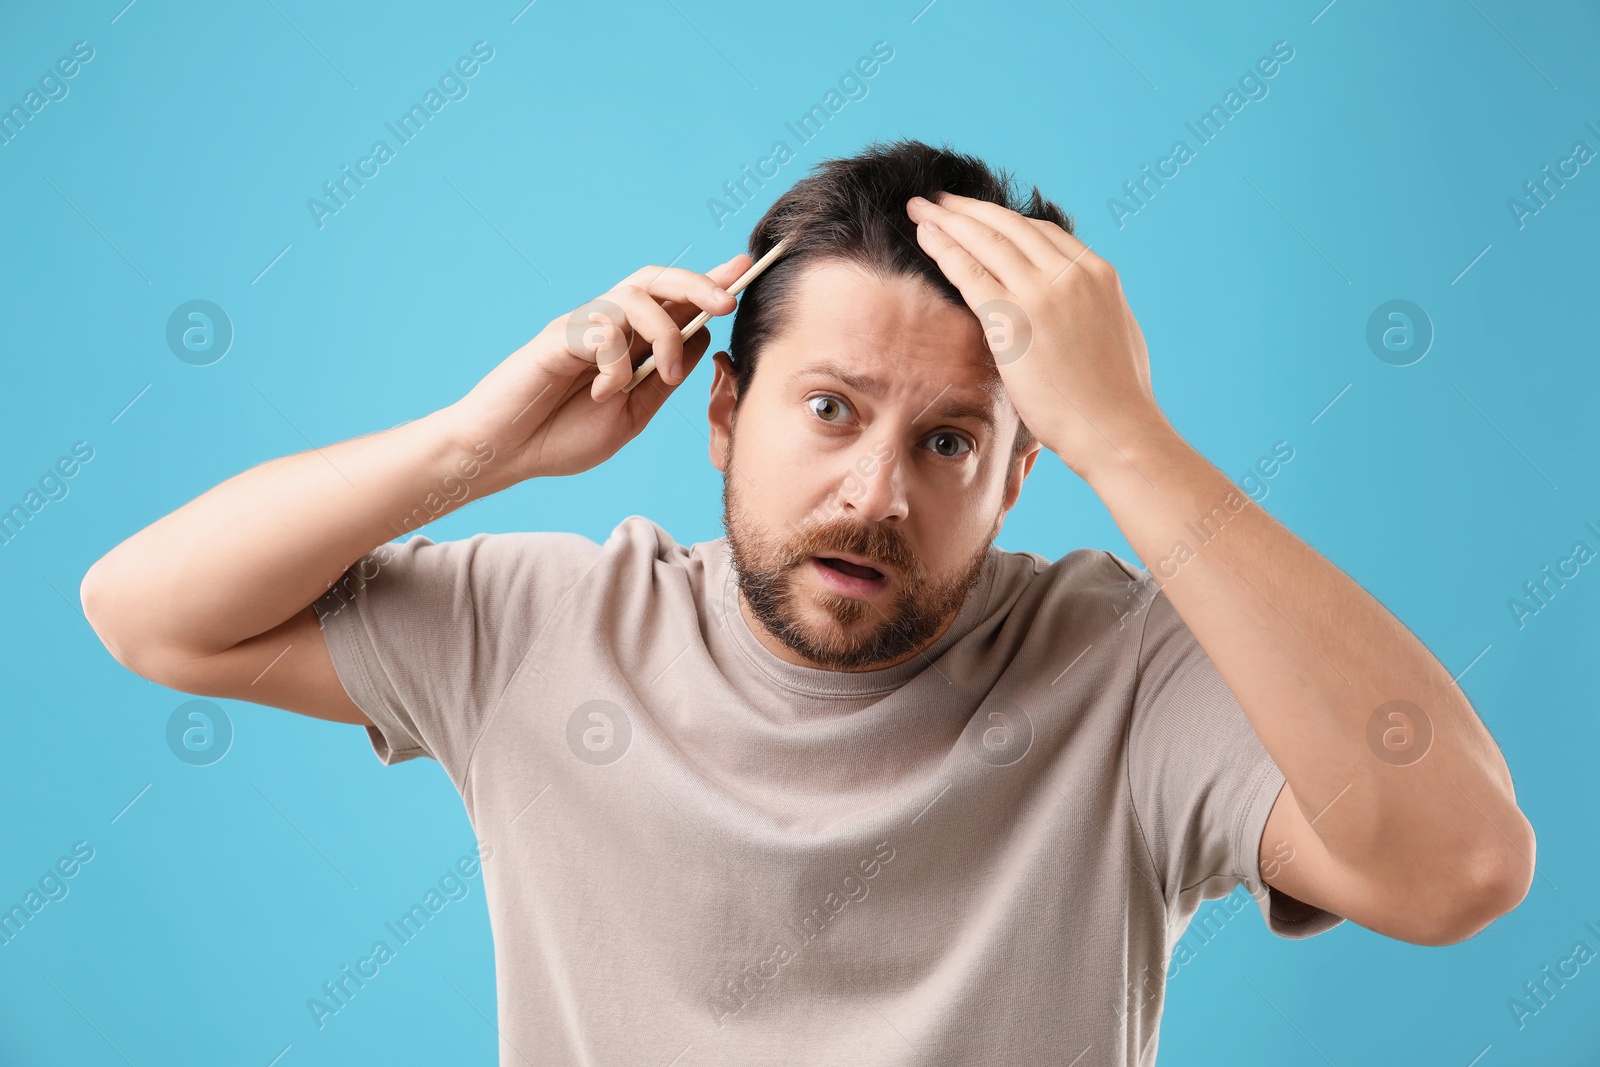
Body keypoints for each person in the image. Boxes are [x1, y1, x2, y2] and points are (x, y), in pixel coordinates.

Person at [80, 138, 1533, 1065]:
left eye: (950, 442)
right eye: (829, 409)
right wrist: (472, 448)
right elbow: (150, 610)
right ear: (721, 412)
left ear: (1023, 475)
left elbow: (1459, 866)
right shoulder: (544, 629)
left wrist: (1134, 439)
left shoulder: (1128, 673)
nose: (876, 493)